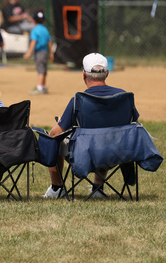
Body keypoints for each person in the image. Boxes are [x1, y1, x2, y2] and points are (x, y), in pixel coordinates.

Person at [43, 53, 139, 199]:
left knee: (53, 138)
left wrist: (64, 125)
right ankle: (98, 188)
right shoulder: (124, 97)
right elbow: (133, 124)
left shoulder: (79, 100)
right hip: (118, 153)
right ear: (107, 73)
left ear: (83, 74)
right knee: (106, 134)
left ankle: (57, 188)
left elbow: (55, 134)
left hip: (86, 153)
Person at [23, 11, 54, 95]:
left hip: (39, 52)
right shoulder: (45, 29)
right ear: (44, 21)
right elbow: (50, 41)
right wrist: (51, 53)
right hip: (45, 51)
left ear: (34, 20)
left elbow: (33, 41)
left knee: (40, 69)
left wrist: (29, 52)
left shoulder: (35, 29)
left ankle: (39, 87)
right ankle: (43, 86)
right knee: (43, 69)